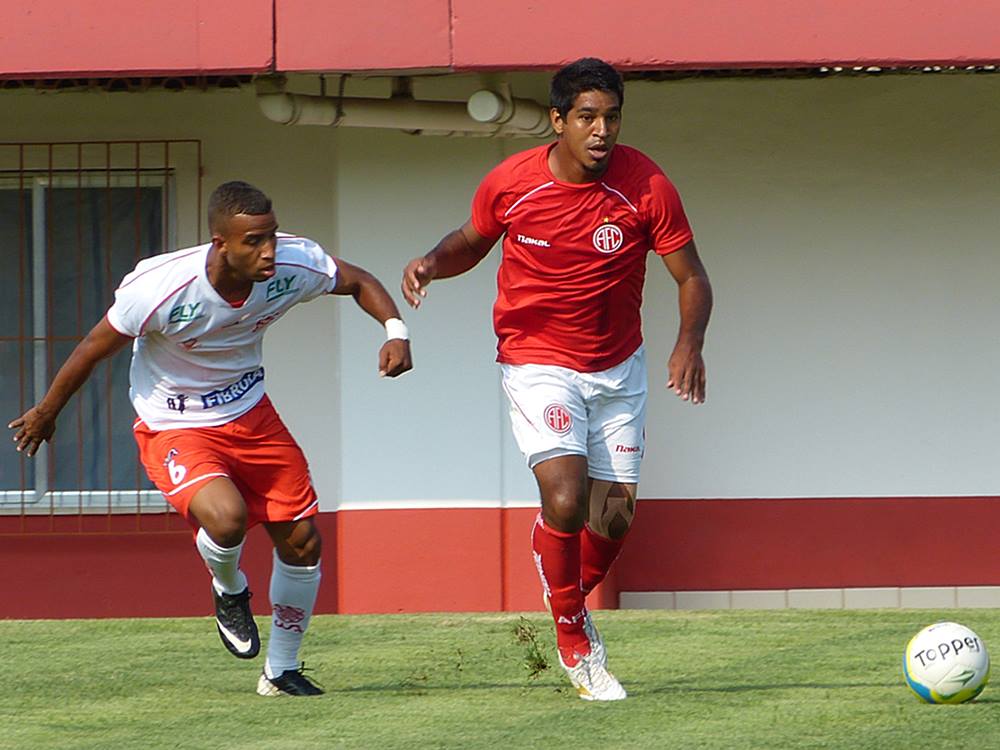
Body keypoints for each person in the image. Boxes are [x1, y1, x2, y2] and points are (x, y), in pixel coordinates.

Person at [9, 181, 412, 697]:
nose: (268, 251)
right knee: (226, 518)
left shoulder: (293, 263)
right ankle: (229, 587)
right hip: (173, 422)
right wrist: (47, 412)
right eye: (253, 241)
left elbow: (357, 280)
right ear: (221, 243)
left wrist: (395, 331)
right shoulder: (161, 289)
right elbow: (92, 347)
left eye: (271, 236)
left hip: (251, 413)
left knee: (303, 541)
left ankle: (281, 671)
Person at [402, 58, 712, 701]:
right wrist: (431, 262)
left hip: (618, 366)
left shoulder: (647, 185)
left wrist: (690, 343)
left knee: (615, 519)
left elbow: (691, 276)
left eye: (612, 117)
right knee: (566, 498)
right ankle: (575, 638)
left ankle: (562, 590)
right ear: (557, 121)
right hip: (537, 360)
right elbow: (471, 241)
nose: (602, 131)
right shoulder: (513, 183)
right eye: (587, 117)